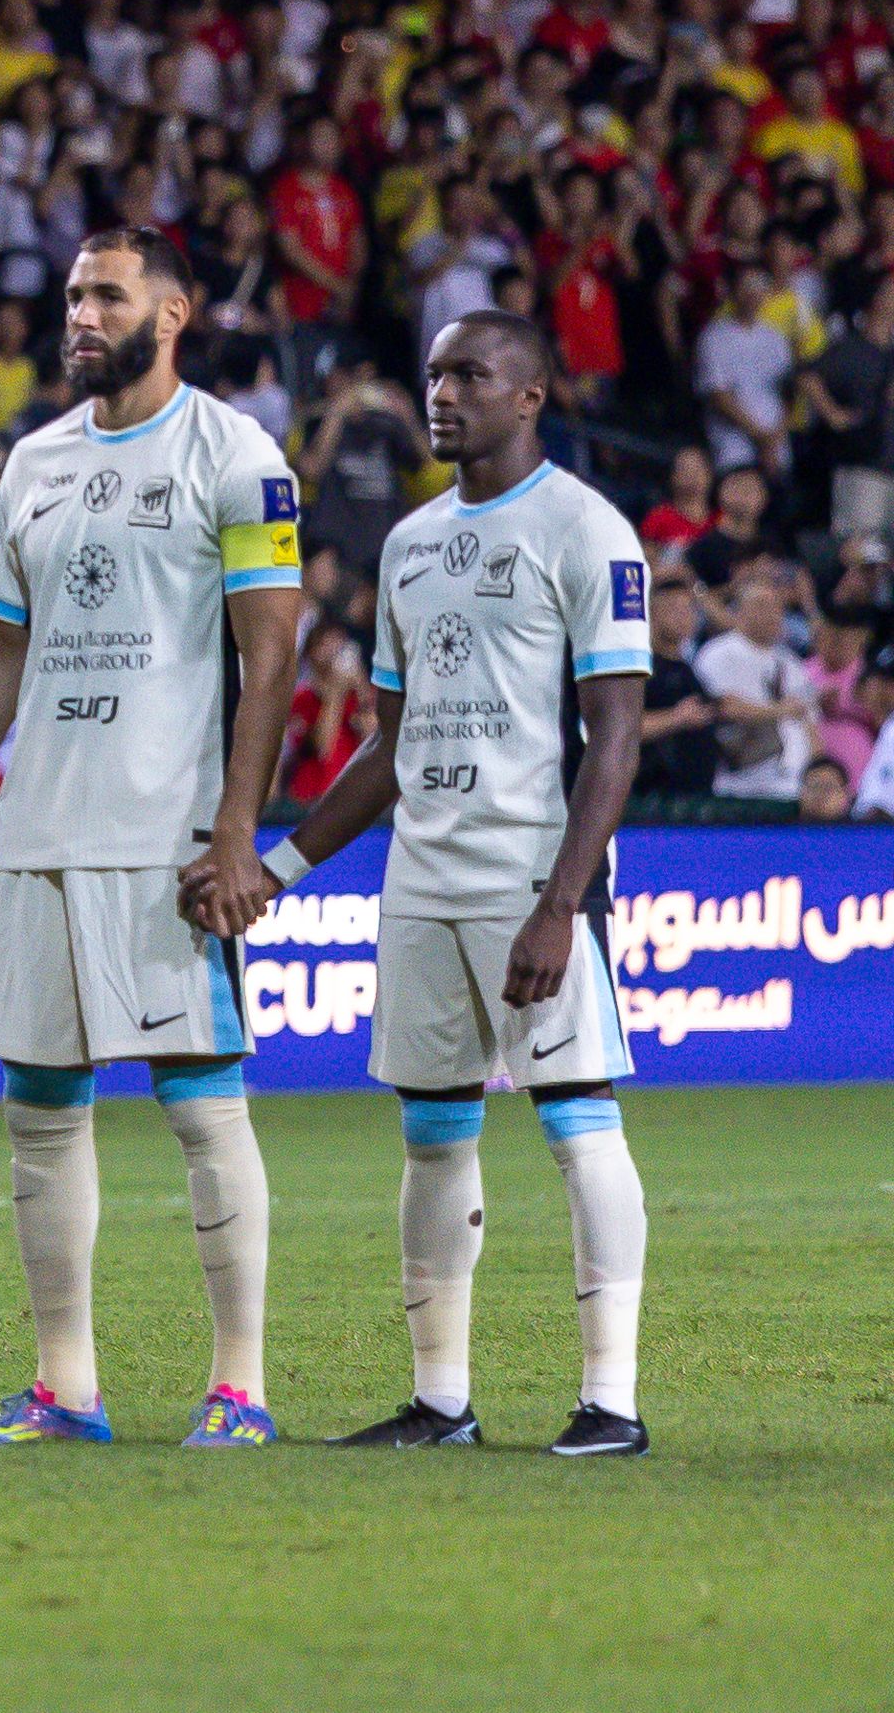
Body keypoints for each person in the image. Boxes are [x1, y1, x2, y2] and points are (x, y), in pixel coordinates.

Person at [0, 223, 304, 1447]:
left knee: (200, 1104)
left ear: (171, 312)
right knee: (36, 1106)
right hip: (36, 830)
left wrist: (236, 829)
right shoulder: (28, 460)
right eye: (73, 294)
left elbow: (270, 648)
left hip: (164, 834)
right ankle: (63, 1388)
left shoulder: (236, 455)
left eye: (106, 294)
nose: (79, 314)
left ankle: (236, 1388)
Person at [269, 313, 654, 1457]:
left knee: (575, 1116)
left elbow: (614, 738)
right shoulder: (411, 540)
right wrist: (281, 864)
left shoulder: (586, 529)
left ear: (529, 392)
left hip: (528, 868)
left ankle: (611, 1402)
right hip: (421, 874)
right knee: (432, 1131)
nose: (440, 393)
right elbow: (385, 744)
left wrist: (558, 899)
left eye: (468, 374)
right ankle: (439, 1400)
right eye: (433, 373)